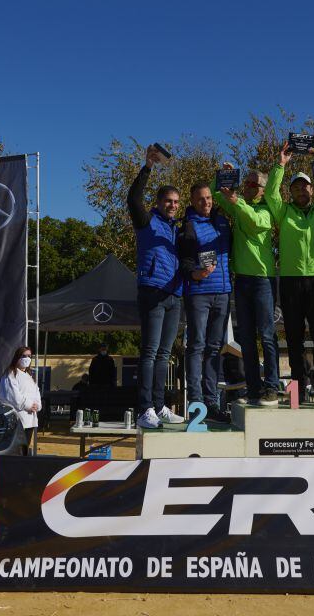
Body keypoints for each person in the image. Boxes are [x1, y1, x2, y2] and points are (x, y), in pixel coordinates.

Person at [265, 140, 314, 407]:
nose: (301, 190)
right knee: (294, 337)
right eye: (296, 187)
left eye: (305, 186)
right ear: (291, 192)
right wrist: (280, 164)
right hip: (290, 280)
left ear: (312, 190)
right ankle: (297, 392)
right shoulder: (284, 211)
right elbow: (270, 195)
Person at [128, 145, 186, 429]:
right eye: (168, 201)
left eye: (176, 201)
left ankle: (160, 406)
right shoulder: (146, 220)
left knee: (165, 354)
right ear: (159, 201)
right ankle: (144, 409)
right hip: (152, 290)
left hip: (176, 294)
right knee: (149, 352)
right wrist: (147, 166)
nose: (172, 205)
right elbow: (133, 198)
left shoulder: (178, 229)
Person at [214, 165, 280, 406]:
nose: (249, 187)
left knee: (267, 335)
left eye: (254, 184)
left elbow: (253, 222)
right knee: (247, 339)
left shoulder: (267, 210)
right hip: (241, 279)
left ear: (263, 190)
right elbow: (215, 193)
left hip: (263, 279)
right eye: (247, 184)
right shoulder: (238, 203)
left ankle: (272, 386)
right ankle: (253, 388)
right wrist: (222, 176)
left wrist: (237, 201)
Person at [179, 183, 232, 420]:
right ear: (192, 200)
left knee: (214, 348)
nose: (206, 202)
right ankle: (196, 402)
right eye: (201, 199)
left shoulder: (222, 222)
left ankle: (212, 402)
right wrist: (194, 274)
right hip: (199, 293)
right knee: (196, 346)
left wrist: (226, 179)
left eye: (209, 198)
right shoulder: (188, 225)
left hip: (223, 292)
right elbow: (184, 259)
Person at [0, 345, 41, 454]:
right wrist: (29, 405)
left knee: (25, 450)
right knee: (16, 451)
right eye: (24, 356)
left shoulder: (29, 375)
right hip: (17, 419)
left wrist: (37, 405)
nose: (27, 358)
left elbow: (36, 393)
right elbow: (13, 397)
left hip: (30, 420)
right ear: (17, 357)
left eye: (29, 356)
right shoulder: (11, 374)